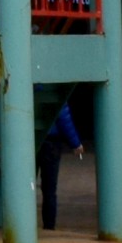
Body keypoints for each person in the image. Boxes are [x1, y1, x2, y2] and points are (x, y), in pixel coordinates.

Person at [38, 89, 81, 230]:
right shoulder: (54, 86)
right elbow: (63, 116)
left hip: (29, 140)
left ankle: (23, 224)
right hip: (51, 142)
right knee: (49, 189)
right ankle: (49, 227)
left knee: (25, 186)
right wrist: (75, 143)